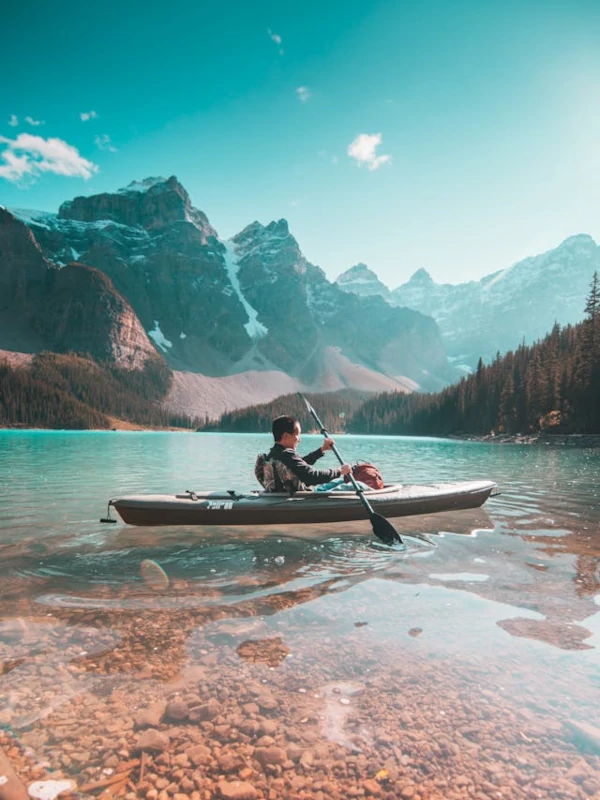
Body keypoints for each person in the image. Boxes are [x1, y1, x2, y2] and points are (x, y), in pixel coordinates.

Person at [263, 415, 352, 493]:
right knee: (359, 485)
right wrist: (339, 471)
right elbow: (311, 476)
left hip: (293, 493)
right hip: (306, 497)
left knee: (342, 481)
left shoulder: (274, 454)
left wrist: (321, 450)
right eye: (297, 434)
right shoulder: (286, 454)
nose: (299, 439)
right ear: (286, 435)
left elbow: (299, 466)